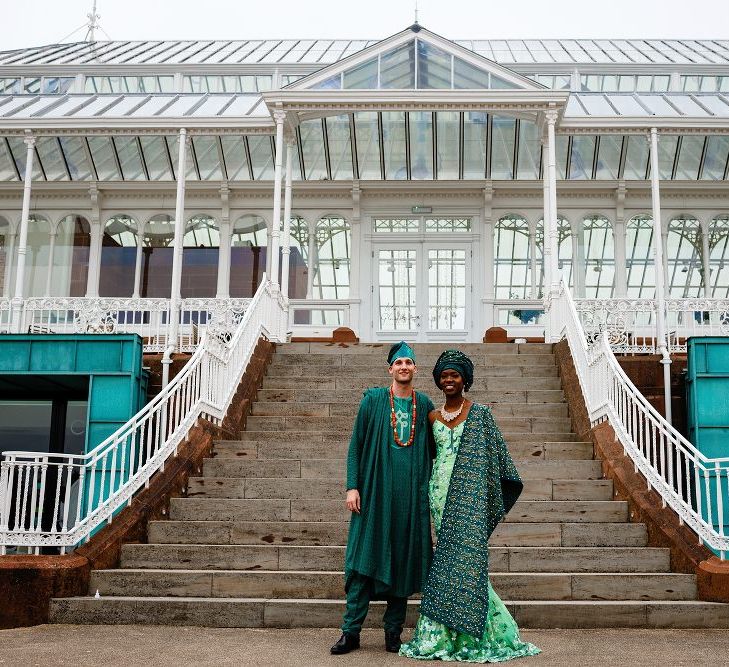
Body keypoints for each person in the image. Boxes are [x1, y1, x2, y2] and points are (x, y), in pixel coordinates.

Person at [399, 349, 541, 662]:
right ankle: (443, 635)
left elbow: (498, 462)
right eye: (444, 376)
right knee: (447, 559)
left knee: (468, 559)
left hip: (471, 496)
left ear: (466, 379)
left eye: (455, 375)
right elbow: (426, 457)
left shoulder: (481, 415)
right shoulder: (432, 417)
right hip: (438, 493)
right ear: (437, 380)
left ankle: (482, 632)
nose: (449, 380)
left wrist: (482, 490)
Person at [331, 341, 436, 655]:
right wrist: (353, 486)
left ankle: (393, 633)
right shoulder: (373, 401)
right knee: (362, 564)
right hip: (374, 496)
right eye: (399, 362)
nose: (404, 367)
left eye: (409, 362)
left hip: (410, 502)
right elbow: (356, 447)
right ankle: (351, 633)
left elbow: (438, 448)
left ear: (415, 369)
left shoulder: (425, 404)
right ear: (390, 368)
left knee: (402, 565)